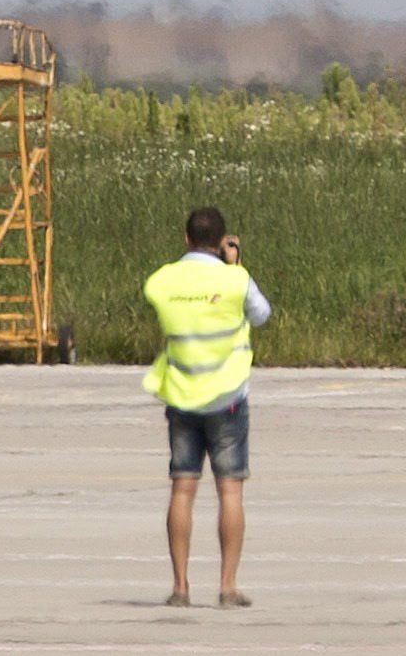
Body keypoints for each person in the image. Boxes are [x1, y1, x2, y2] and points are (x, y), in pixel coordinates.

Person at [143, 205, 270, 608]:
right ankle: (227, 586)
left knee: (183, 488)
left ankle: (180, 587)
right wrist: (232, 267)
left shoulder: (163, 280)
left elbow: (158, 297)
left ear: (185, 239)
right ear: (221, 242)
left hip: (181, 394)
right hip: (227, 398)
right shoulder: (234, 279)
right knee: (229, 490)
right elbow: (261, 314)